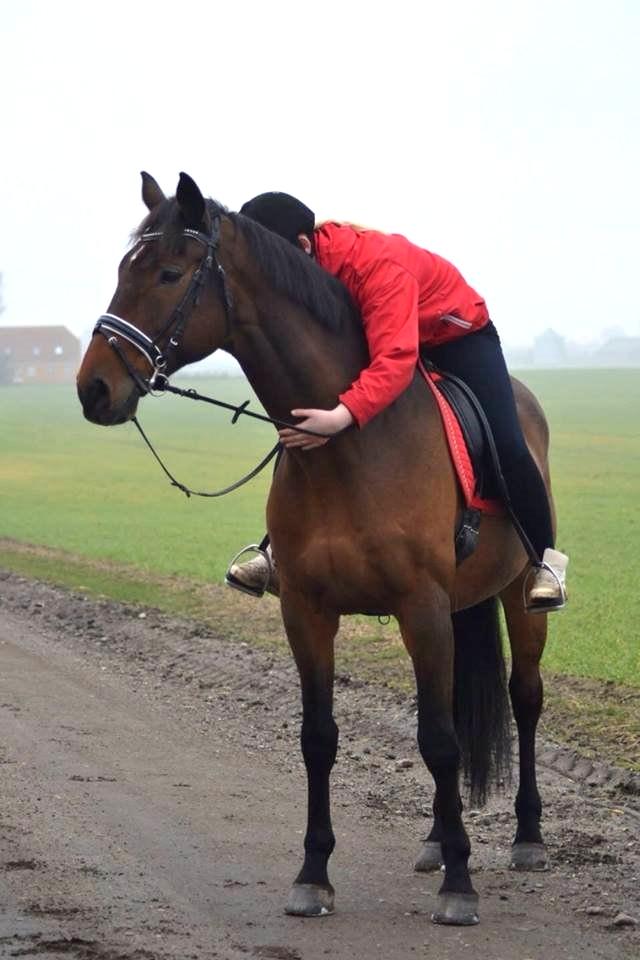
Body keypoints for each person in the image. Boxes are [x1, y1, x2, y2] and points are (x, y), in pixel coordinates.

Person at [226, 192, 568, 613]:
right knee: (305, 423)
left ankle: (545, 562)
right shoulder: (308, 273)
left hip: (457, 338)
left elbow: (397, 359)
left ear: (300, 248)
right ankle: (277, 551)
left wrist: (341, 417)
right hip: (389, 332)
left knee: (508, 442)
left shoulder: (375, 265)